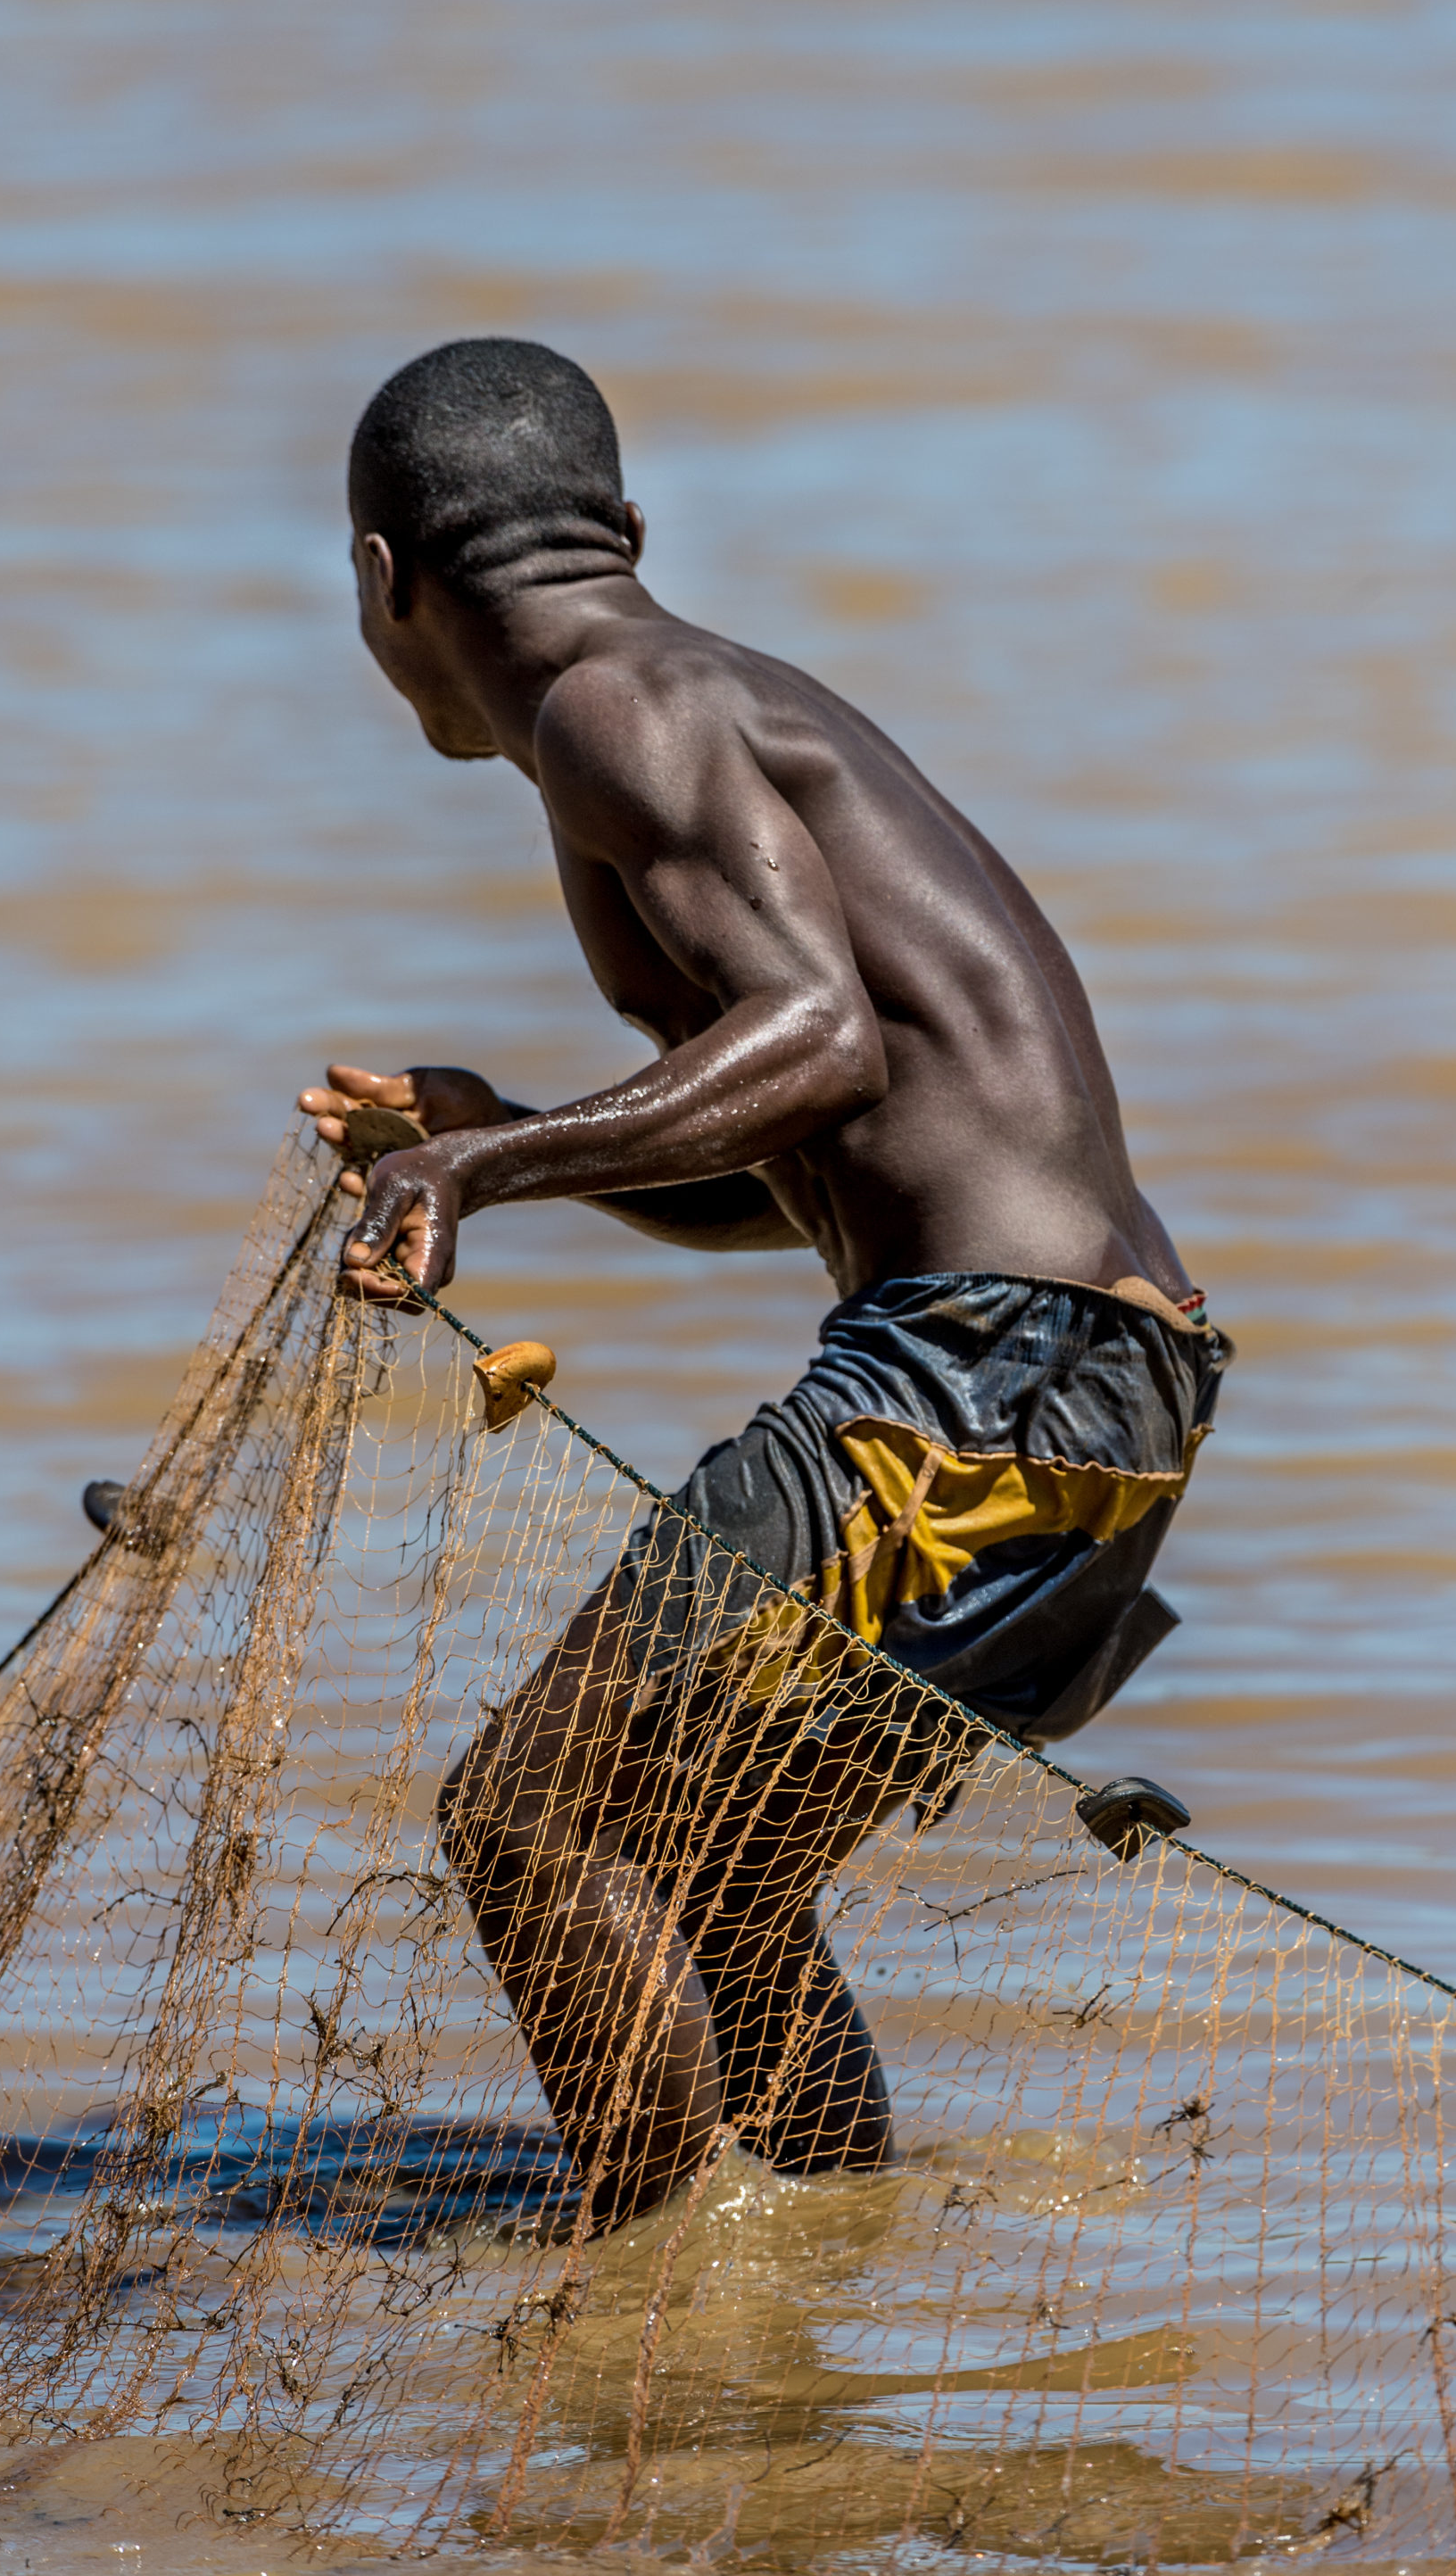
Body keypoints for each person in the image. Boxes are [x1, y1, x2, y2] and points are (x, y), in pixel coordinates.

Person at [300, 338, 1231, 2229]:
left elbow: (814, 1042)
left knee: (529, 1821)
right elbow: (804, 1165)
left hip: (983, 1365)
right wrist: (527, 1131)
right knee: (711, 1869)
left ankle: (645, 2298)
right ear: (620, 528)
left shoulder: (607, 707)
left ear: (384, 578)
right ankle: (808, 2278)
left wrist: (481, 1162)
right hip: (1097, 1384)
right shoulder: (681, 701)